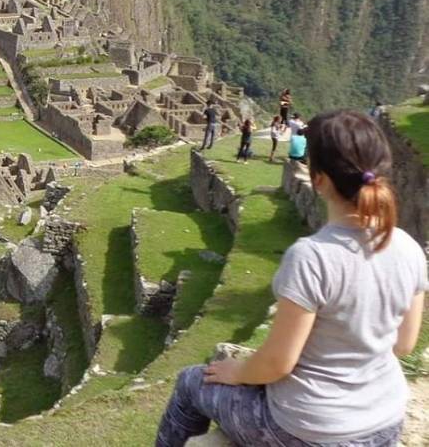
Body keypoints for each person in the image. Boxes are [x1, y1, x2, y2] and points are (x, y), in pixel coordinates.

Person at [156, 110, 427, 447]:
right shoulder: (407, 246)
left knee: (190, 382)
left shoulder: (312, 257)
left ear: (318, 180)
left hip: (307, 429)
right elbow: (403, 344)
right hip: (384, 422)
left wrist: (236, 372)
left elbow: (277, 363)